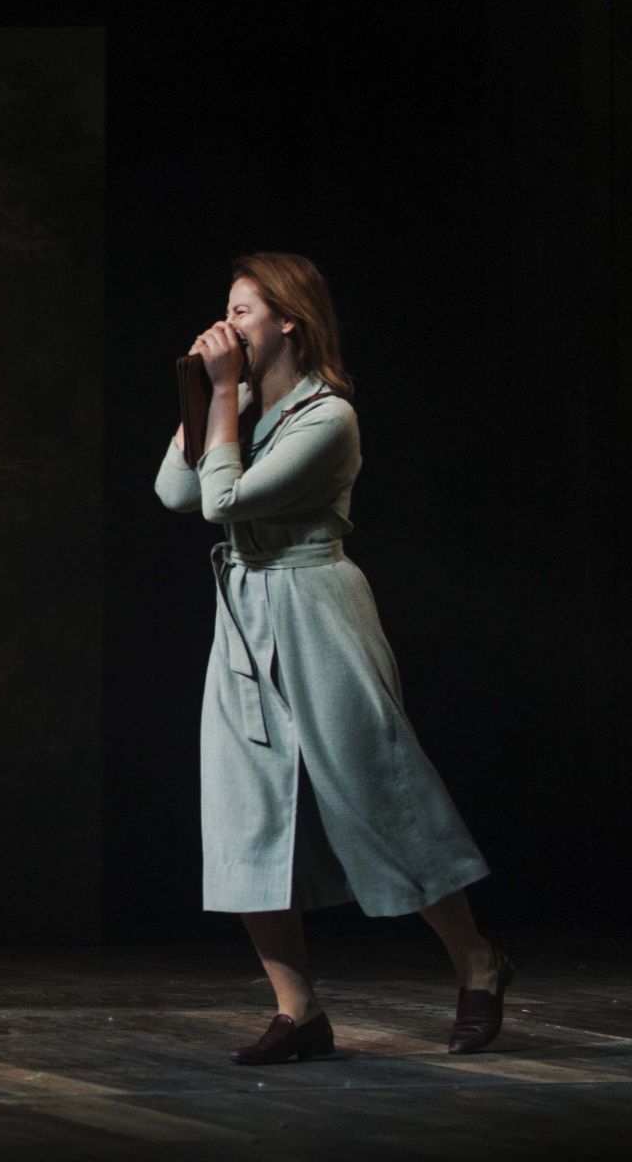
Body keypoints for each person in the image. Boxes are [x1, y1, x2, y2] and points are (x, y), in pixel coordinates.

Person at [154, 253, 509, 1065]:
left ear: (290, 321)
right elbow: (176, 492)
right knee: (244, 807)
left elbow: (223, 499)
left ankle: (479, 962)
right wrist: (206, 400)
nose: (226, 326)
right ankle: (298, 1010)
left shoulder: (328, 417)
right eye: (227, 310)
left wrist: (222, 403)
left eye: (243, 311)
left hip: (316, 606)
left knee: (377, 793)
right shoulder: (239, 408)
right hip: (246, 617)